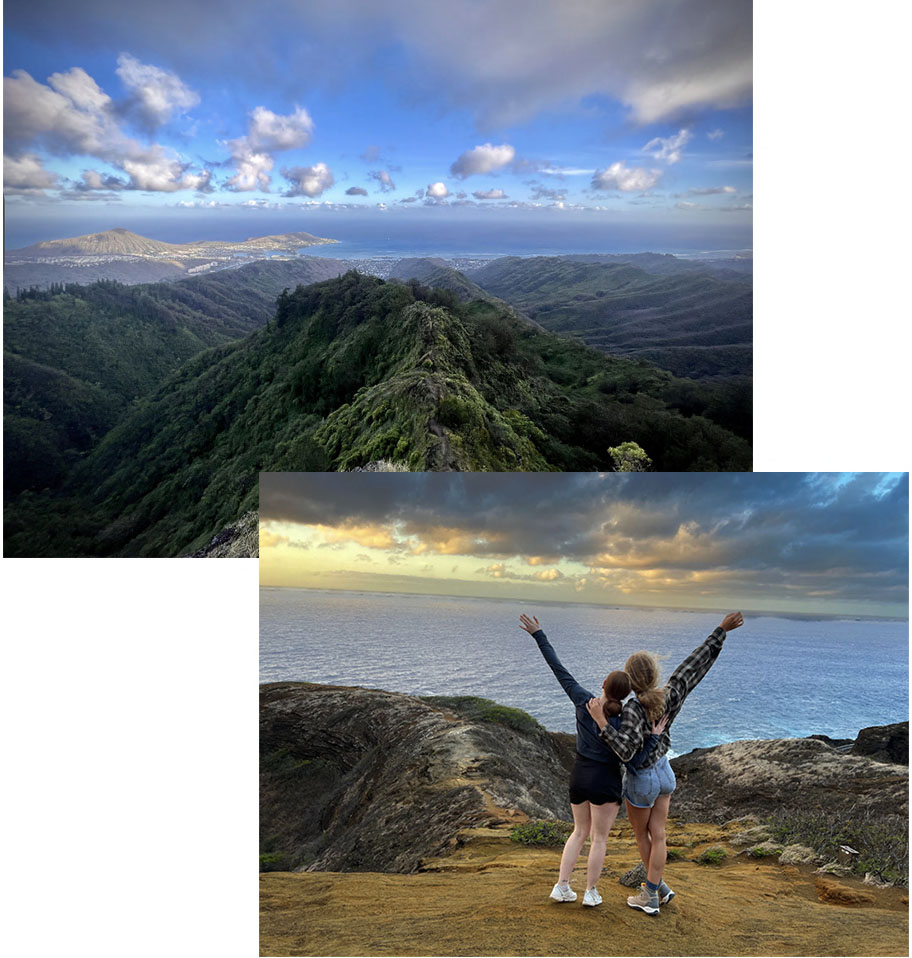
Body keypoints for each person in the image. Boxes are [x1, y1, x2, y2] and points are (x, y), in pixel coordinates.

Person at [586, 611, 745, 915]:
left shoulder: (633, 708)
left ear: (631, 681)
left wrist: (602, 723)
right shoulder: (669, 695)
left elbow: (626, 753)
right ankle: (659, 887)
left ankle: (649, 896)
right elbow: (693, 666)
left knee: (643, 837)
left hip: (643, 780)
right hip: (665, 772)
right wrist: (721, 631)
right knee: (659, 835)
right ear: (655, 674)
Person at [519, 613, 667, 907]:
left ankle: (562, 886)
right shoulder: (626, 717)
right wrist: (653, 736)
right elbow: (634, 756)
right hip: (605, 781)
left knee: (578, 832)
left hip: (579, 775)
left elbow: (557, 668)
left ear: (602, 683)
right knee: (598, 839)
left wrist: (539, 634)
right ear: (626, 696)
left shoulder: (583, 701)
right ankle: (590, 892)